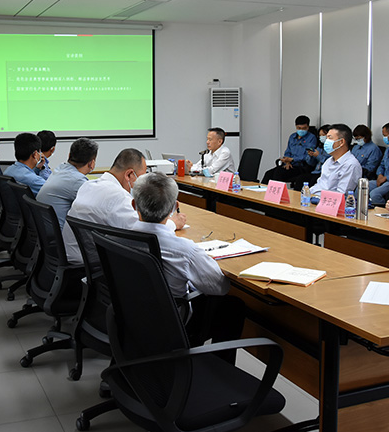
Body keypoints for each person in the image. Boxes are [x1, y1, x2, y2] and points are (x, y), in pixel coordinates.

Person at [130, 172, 245, 364]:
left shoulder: (121, 235)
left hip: (133, 315)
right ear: (174, 207)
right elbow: (220, 287)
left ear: (134, 205)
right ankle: (218, 371)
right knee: (233, 307)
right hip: (172, 324)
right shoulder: (184, 250)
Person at [62, 148, 187, 264]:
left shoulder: (88, 185)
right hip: (91, 264)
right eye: (142, 178)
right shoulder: (118, 197)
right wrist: (173, 223)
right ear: (129, 175)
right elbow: (145, 234)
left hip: (75, 256)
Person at [36, 137, 98, 228]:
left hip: (43, 229)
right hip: (58, 233)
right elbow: (98, 205)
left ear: (69, 155)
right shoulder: (77, 181)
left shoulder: (60, 168)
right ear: (92, 163)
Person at [261, 115, 317, 184]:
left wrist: (292, 159)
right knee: (268, 174)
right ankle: (260, 190)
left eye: (304, 128)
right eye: (299, 128)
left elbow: (307, 156)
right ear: (296, 126)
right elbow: (287, 151)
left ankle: (277, 191)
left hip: (301, 167)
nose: (301, 130)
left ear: (308, 127)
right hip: (290, 164)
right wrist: (287, 161)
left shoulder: (311, 138)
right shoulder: (292, 137)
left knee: (278, 172)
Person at [309, 124, 362, 196]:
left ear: (341, 142)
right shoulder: (329, 161)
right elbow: (320, 185)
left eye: (330, 138)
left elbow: (341, 194)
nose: (326, 141)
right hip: (316, 198)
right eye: (326, 138)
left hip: (329, 201)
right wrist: (307, 193)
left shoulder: (351, 165)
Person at [293, 124, 330, 190]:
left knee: (313, 181)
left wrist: (318, 156)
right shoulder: (319, 148)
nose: (321, 137)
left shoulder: (332, 149)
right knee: (300, 179)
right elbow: (312, 163)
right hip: (315, 172)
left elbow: (329, 162)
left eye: (323, 135)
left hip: (323, 174)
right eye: (320, 135)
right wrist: (310, 156)